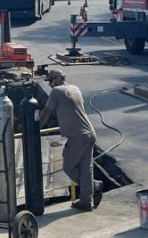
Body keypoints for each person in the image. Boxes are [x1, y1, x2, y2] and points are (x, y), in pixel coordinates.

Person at [39, 69, 103, 212]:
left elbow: (46, 112)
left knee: (68, 165)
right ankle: (86, 201)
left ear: (57, 79)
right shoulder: (75, 88)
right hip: (90, 133)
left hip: (77, 136)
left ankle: (94, 186)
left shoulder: (56, 92)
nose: (49, 85)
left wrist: (36, 127)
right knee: (86, 168)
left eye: (50, 81)